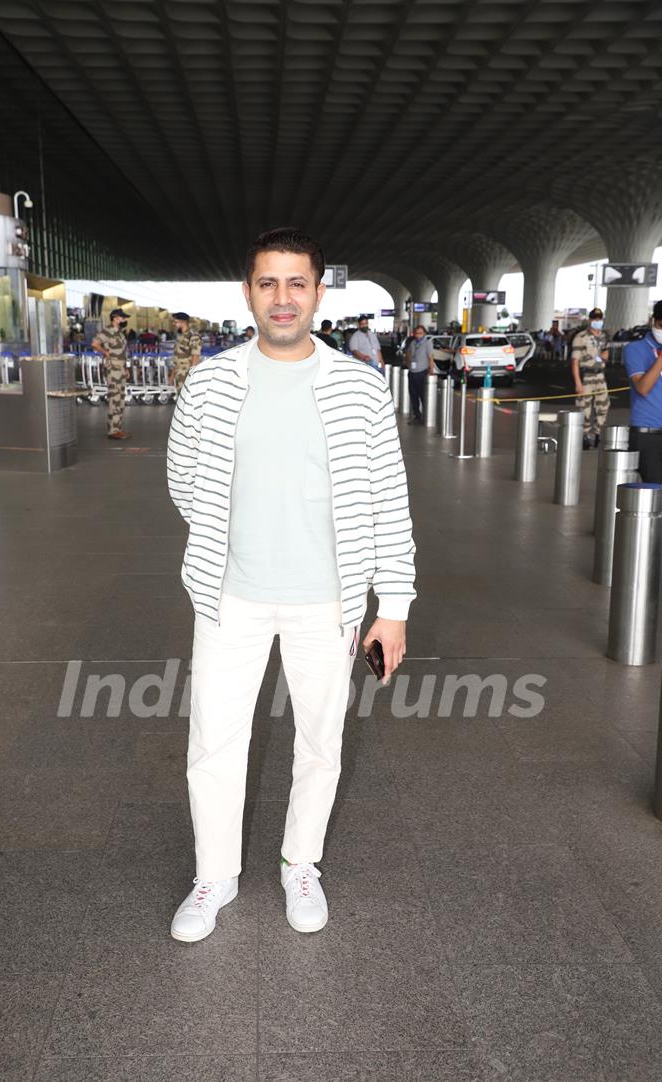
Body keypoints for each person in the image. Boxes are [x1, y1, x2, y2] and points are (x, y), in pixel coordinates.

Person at [166, 227, 416, 943]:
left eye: (296, 283)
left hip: (328, 603)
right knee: (214, 739)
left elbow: (387, 501)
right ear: (248, 292)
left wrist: (391, 609)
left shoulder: (359, 388)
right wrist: (225, 536)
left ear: (317, 291)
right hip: (229, 598)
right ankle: (214, 875)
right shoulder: (211, 381)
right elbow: (184, 480)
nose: (282, 298)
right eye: (268, 283)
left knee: (320, 740)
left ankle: (299, 863)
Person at [625, 300, 662, 482]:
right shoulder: (635, 349)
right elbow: (643, 388)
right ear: (653, 321)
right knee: (655, 491)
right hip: (648, 433)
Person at [571, 307, 610, 448]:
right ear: (590, 320)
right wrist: (578, 383)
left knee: (603, 406)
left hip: (600, 375)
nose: (597, 321)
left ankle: (598, 434)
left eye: (599, 319)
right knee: (584, 408)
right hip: (586, 376)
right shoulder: (580, 337)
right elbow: (575, 361)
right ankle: (585, 436)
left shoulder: (604, 336)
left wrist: (605, 357)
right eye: (594, 319)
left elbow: (605, 354)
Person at [92, 308, 131, 440]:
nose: (124, 319)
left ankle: (118, 428)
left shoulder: (120, 333)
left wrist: (125, 368)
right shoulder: (107, 330)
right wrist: (106, 353)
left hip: (120, 368)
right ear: (115, 317)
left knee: (120, 398)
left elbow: (123, 352)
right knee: (114, 398)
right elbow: (95, 343)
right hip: (113, 368)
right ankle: (113, 430)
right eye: (122, 317)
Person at [405, 324, 435, 424]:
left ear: (424, 334)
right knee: (413, 395)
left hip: (422, 373)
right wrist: (408, 363)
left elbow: (431, 358)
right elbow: (408, 353)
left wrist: (431, 371)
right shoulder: (413, 343)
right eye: (416, 333)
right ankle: (417, 416)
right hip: (412, 372)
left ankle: (427, 417)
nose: (418, 335)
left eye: (420, 333)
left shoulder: (427, 343)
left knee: (423, 395)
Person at [169, 312, 202, 394]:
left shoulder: (193, 336)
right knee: (180, 399)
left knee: (186, 398)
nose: (174, 324)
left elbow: (195, 357)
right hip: (179, 372)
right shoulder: (181, 336)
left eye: (176, 322)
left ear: (183, 322)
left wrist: (191, 375)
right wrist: (172, 375)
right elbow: (177, 358)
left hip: (186, 372)